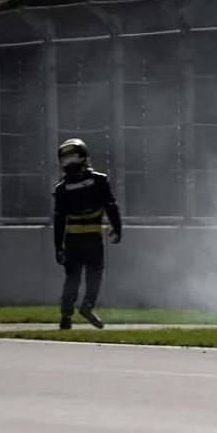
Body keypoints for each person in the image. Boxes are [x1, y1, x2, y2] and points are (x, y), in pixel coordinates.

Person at [52, 138, 122, 330]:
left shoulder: (61, 188)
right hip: (93, 237)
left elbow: (59, 220)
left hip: (73, 238)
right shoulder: (99, 180)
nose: (70, 163)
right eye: (67, 159)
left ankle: (66, 316)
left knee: (72, 278)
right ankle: (87, 306)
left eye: (72, 158)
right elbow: (111, 206)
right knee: (94, 275)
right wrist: (117, 228)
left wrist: (58, 247)